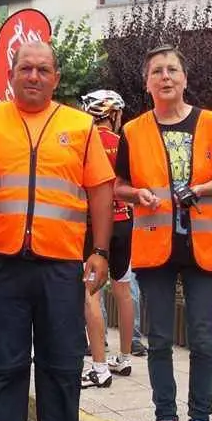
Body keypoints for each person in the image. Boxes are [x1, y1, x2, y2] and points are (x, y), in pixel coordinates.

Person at [0, 41, 116, 421]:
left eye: (43, 70)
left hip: (60, 264)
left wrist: (101, 251)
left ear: (56, 78)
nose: (33, 76)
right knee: (1, 363)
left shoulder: (80, 125)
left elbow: (100, 190)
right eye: (25, 68)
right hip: (2, 262)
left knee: (62, 363)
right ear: (11, 75)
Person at [113, 45, 212, 421]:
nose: (165, 77)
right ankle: (165, 418)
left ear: (184, 78)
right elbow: (118, 185)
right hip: (155, 246)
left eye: (172, 70)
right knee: (160, 339)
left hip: (204, 244)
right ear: (147, 83)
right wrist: (137, 193)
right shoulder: (133, 131)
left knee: (203, 339)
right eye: (157, 72)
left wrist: (200, 189)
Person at [77, 89, 138, 387]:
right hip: (124, 222)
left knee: (91, 293)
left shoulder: (85, 143)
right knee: (124, 290)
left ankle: (99, 367)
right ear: (113, 115)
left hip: (92, 225)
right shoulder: (124, 144)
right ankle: (125, 359)